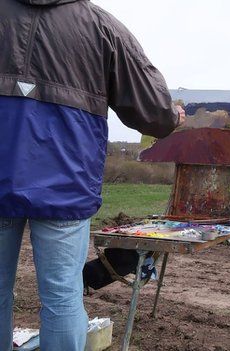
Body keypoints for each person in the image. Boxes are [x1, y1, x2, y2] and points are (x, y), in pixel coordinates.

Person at [0, 0, 183, 350]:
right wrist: (173, 117)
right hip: (65, 184)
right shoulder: (101, 27)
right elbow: (153, 112)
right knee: (62, 297)